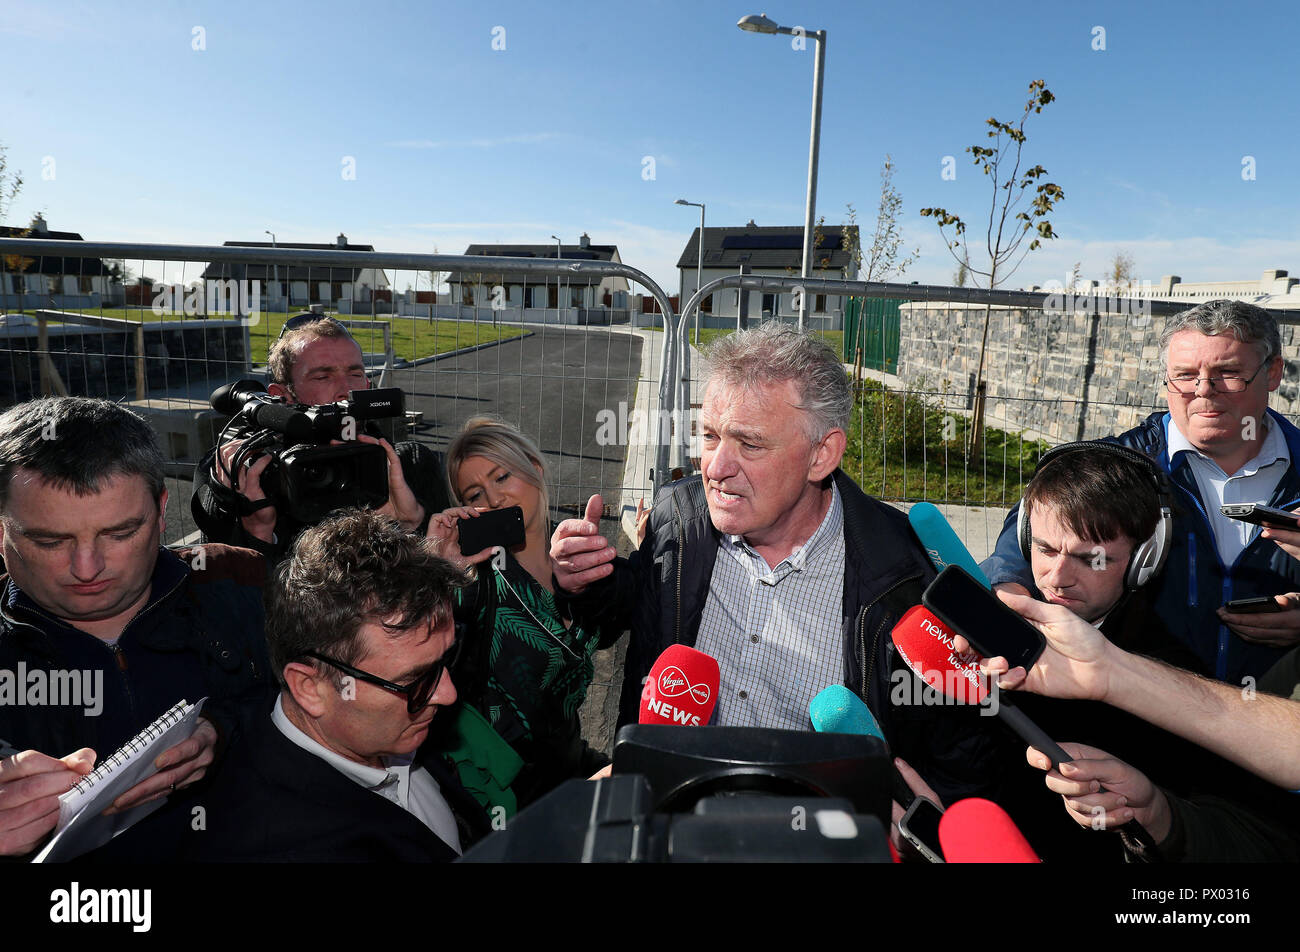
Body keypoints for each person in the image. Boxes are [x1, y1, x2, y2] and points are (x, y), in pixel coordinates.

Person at [551, 322, 1008, 807]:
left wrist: (929, 830)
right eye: (710, 436)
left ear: (821, 455)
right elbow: (638, 605)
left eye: (749, 444)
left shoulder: (904, 574)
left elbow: (961, 749)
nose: (714, 466)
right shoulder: (677, 517)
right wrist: (586, 581)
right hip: (673, 816)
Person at [106, 509, 491, 862]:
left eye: (445, 660)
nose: (448, 693)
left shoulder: (379, 725)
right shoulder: (279, 846)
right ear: (309, 688)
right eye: (414, 681)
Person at [0, 397, 271, 858]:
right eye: (49, 540)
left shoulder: (245, 586)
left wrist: (226, 730)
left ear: (163, 511)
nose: (87, 568)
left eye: (120, 533)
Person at [983, 299, 1300, 686]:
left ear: (1273, 373)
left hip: (1269, 724)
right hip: (1141, 711)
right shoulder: (1123, 462)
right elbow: (1030, 528)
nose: (1203, 391)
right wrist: (1007, 591)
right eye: (1184, 374)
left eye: (1228, 373)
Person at [427, 417, 621, 814]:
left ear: (534, 467)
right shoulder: (470, 583)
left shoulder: (578, 559)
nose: (494, 498)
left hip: (569, 769)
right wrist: (434, 570)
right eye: (475, 493)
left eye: (501, 477)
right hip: (495, 794)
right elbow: (413, 649)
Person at [190, 315, 449, 561]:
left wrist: (411, 523)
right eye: (323, 376)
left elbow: (449, 592)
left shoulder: (410, 465)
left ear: (369, 387)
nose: (346, 390)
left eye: (355, 374)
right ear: (282, 396)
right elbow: (230, 599)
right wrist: (258, 534)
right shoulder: (241, 476)